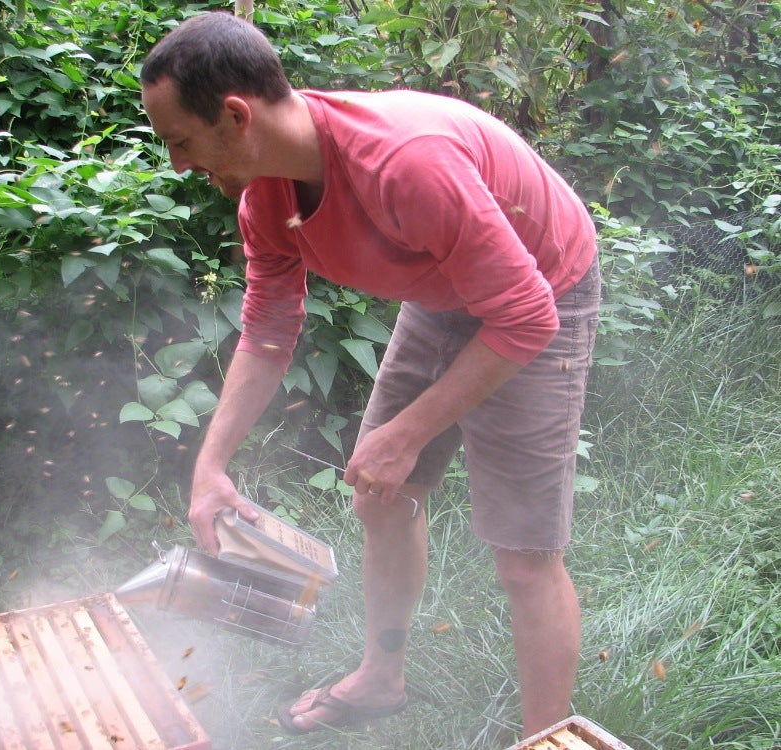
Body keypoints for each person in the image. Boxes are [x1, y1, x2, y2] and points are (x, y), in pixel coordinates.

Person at [139, 11, 601, 740]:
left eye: (180, 142)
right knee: (382, 498)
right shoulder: (266, 195)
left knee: (524, 556)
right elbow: (266, 334)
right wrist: (211, 466)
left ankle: (549, 738)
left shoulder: (403, 164)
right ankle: (382, 678)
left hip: (542, 287)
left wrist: (407, 433)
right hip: (446, 291)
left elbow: (525, 317)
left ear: (234, 114)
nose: (178, 163)